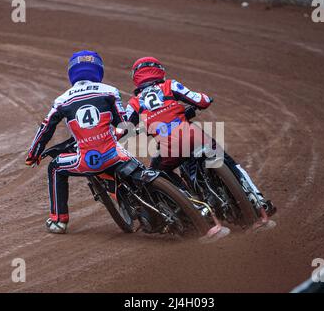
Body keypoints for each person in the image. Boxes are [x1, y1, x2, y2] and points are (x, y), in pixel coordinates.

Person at [125, 56, 276, 217]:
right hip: (191, 134)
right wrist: (204, 100)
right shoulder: (170, 85)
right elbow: (201, 100)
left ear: (136, 78)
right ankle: (257, 198)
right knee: (228, 161)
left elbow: (124, 128)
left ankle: (193, 206)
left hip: (168, 146)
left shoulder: (133, 103)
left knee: (158, 173)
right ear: (160, 71)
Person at [25, 50, 130, 234]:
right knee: (127, 151)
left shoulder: (62, 100)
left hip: (85, 160)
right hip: (114, 155)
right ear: (99, 70)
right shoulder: (110, 90)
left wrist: (33, 155)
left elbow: (45, 129)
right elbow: (124, 122)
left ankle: (58, 221)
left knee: (55, 168)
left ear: (71, 73)